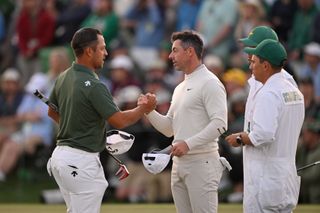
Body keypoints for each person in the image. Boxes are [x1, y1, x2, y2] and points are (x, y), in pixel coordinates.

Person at [46, 27, 156, 213]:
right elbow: (120, 121)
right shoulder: (96, 86)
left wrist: (76, 126)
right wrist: (144, 108)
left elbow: (52, 112)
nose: (106, 53)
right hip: (80, 160)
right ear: (89, 51)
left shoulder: (62, 77)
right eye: (102, 48)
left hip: (60, 157)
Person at [140, 30, 228, 213]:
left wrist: (188, 144)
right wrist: (149, 111)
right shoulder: (180, 87)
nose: (170, 56)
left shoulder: (210, 82)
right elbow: (169, 129)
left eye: (175, 50)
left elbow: (220, 123)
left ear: (190, 52)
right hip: (179, 164)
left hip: (202, 163)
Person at [225, 39, 305, 212]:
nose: (251, 66)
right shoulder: (295, 91)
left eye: (254, 62)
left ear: (266, 65)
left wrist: (239, 138)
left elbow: (264, 134)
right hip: (285, 174)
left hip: (266, 179)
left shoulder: (268, 93)